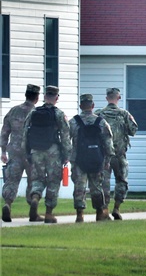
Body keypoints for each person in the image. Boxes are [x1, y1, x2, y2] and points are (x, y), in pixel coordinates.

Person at [22, 85, 71, 223]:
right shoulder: (59, 114)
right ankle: (49, 213)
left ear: (44, 97)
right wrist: (67, 155)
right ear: (56, 98)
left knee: (37, 179)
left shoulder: (33, 113)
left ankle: (35, 198)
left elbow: (25, 134)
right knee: (53, 181)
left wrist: (27, 152)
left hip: (35, 150)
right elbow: (66, 136)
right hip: (53, 151)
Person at [69, 94, 115, 222]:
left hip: (79, 160)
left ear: (80, 106)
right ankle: (99, 213)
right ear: (92, 106)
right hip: (96, 159)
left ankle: (80, 214)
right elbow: (108, 143)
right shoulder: (101, 122)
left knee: (79, 187)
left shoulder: (73, 122)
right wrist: (107, 160)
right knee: (96, 187)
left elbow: (66, 140)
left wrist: (68, 156)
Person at [97, 87, 139, 219]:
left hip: (103, 156)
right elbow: (133, 130)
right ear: (118, 98)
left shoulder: (98, 114)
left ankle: (104, 210)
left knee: (104, 183)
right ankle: (117, 208)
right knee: (122, 181)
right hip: (119, 154)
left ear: (106, 98)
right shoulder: (124, 114)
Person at [2, 84, 40, 222]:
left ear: (26, 95)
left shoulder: (13, 111)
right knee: (33, 181)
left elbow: (4, 132)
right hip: (31, 153)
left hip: (15, 151)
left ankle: (7, 204)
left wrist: (3, 151)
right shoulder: (37, 113)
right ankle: (33, 208)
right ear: (37, 97)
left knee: (12, 180)